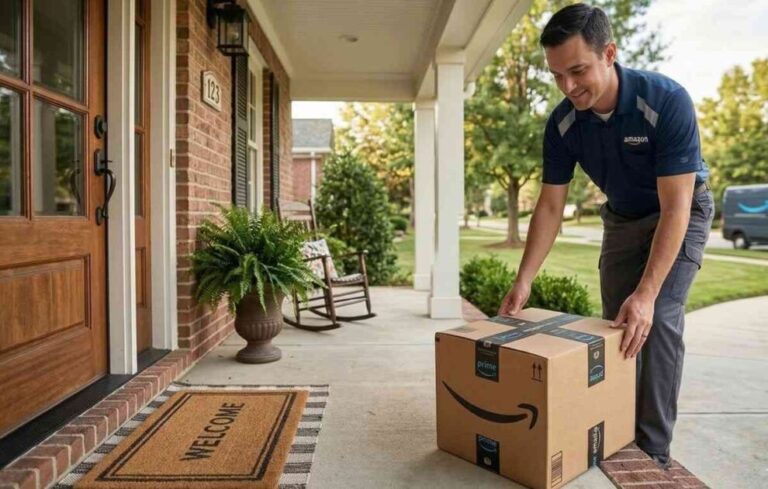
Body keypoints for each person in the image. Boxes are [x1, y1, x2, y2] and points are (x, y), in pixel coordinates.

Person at [497, 3, 714, 469]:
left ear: (609, 53)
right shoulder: (563, 124)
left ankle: (652, 451)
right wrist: (524, 279)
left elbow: (675, 207)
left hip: (681, 210)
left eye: (577, 71)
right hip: (621, 216)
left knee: (655, 317)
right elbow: (550, 205)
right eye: (557, 75)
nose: (568, 87)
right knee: (616, 323)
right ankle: (617, 426)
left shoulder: (665, 102)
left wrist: (647, 292)